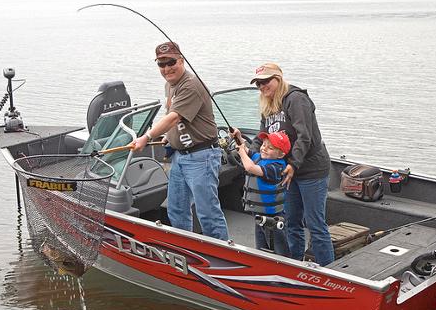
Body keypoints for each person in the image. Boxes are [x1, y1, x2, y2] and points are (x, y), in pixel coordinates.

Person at [232, 63, 334, 266]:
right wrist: (244, 146)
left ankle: (331, 271)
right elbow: (262, 140)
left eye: (266, 81)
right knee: (291, 222)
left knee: (315, 224)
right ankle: (295, 265)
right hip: (288, 171)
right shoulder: (268, 106)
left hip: (311, 170)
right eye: (258, 84)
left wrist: (294, 164)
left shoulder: (296, 99)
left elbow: (305, 136)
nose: (262, 87)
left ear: (278, 78)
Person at [132, 42, 228, 240]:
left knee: (208, 214)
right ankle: (187, 249)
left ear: (182, 60)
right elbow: (175, 117)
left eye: (171, 62)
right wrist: (167, 136)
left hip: (202, 157)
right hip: (180, 157)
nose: (167, 68)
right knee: (176, 210)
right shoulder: (170, 85)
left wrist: (147, 137)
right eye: (161, 64)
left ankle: (222, 256)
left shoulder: (191, 85)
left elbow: (174, 117)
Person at [237, 131, 291, 257]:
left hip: (274, 217)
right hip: (259, 215)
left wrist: (241, 153)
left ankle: (284, 265)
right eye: (263, 144)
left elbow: (250, 168)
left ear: (281, 154)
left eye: (270, 148)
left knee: (278, 246)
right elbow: (245, 149)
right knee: (261, 246)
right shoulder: (259, 157)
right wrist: (238, 137)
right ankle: (262, 261)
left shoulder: (276, 167)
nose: (264, 148)